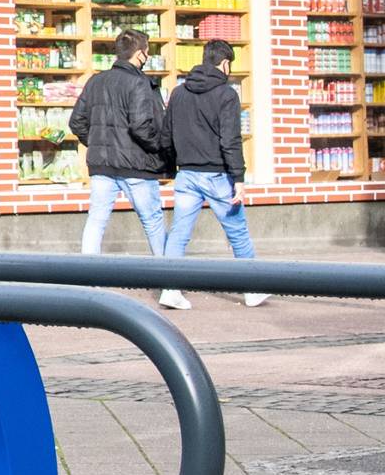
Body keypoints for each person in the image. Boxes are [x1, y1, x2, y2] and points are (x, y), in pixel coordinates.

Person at [159, 38, 266, 310]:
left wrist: (172, 168)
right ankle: (252, 289)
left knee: (180, 232)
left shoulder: (179, 92)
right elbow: (230, 139)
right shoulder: (227, 95)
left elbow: (167, 136)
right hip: (217, 175)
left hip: (187, 175)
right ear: (225, 63)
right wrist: (239, 178)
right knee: (237, 231)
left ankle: (169, 289)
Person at [66, 28, 170, 256]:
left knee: (96, 221)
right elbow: (142, 126)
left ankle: (87, 278)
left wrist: (96, 143)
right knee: (152, 221)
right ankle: (168, 281)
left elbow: (76, 122)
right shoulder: (139, 83)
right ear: (140, 54)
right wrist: (159, 149)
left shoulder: (96, 81)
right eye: (147, 52)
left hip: (102, 165)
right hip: (137, 164)